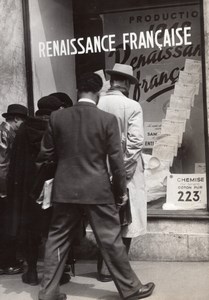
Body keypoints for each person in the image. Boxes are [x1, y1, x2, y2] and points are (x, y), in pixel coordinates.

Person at [37, 72, 155, 300]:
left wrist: (53, 183)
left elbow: (45, 156)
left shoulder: (56, 118)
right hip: (98, 190)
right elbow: (117, 163)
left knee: (57, 239)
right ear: (99, 92)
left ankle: (48, 292)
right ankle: (130, 288)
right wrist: (119, 191)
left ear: (77, 91)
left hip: (65, 189)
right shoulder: (106, 120)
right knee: (111, 240)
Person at [5, 96, 72, 286]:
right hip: (55, 187)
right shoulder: (59, 127)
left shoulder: (24, 129)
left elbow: (16, 162)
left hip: (29, 190)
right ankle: (59, 273)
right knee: (55, 231)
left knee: (30, 232)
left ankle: (32, 272)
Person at [97, 63, 146, 277]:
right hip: (126, 170)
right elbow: (136, 142)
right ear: (126, 83)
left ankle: (104, 268)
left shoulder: (97, 104)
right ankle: (118, 270)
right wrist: (123, 171)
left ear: (112, 81)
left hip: (99, 168)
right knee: (127, 218)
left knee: (106, 219)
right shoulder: (132, 106)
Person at [0, 104, 28, 275]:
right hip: (3, 187)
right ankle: (5, 263)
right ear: (16, 119)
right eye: (22, 121)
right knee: (5, 226)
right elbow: (2, 164)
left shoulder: (5, 131)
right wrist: (5, 190)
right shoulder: (5, 133)